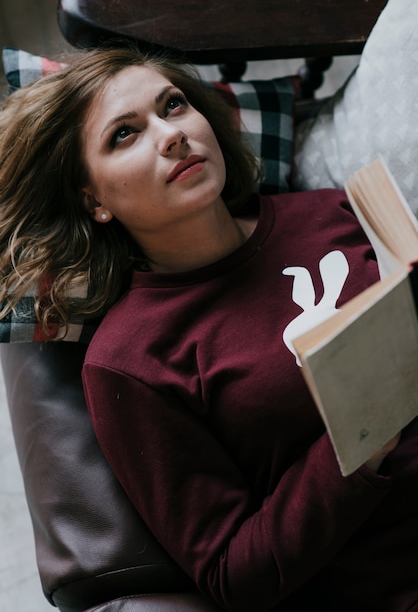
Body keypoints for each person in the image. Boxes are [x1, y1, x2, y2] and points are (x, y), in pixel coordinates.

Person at [0, 43, 416, 612]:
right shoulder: (131, 360)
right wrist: (365, 442)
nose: (170, 134)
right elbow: (232, 574)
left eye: (172, 106)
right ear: (93, 198)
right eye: (124, 134)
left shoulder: (327, 209)